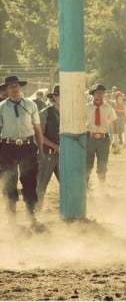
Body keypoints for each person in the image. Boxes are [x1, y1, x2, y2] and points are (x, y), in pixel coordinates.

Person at [0, 75, 44, 228]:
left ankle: (31, 215)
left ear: (20, 87)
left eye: (16, 86)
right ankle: (11, 217)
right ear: (6, 89)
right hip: (7, 147)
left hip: (28, 147)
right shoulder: (1, 107)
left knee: (29, 181)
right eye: (11, 86)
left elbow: (37, 129)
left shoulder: (31, 105)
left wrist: (41, 149)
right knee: (9, 182)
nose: (14, 88)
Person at [86, 84, 117, 193]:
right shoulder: (86, 107)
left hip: (103, 139)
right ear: (93, 95)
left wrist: (115, 139)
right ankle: (86, 187)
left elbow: (113, 123)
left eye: (101, 93)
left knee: (102, 164)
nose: (99, 95)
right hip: (89, 138)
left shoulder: (108, 108)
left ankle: (102, 189)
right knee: (87, 164)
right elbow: (81, 123)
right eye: (97, 92)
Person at [36, 84, 61, 212]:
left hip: (64, 156)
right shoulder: (44, 113)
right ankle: (35, 213)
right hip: (47, 155)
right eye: (61, 96)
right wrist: (55, 146)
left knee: (67, 184)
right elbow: (39, 136)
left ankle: (68, 213)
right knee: (41, 185)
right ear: (54, 97)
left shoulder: (70, 114)